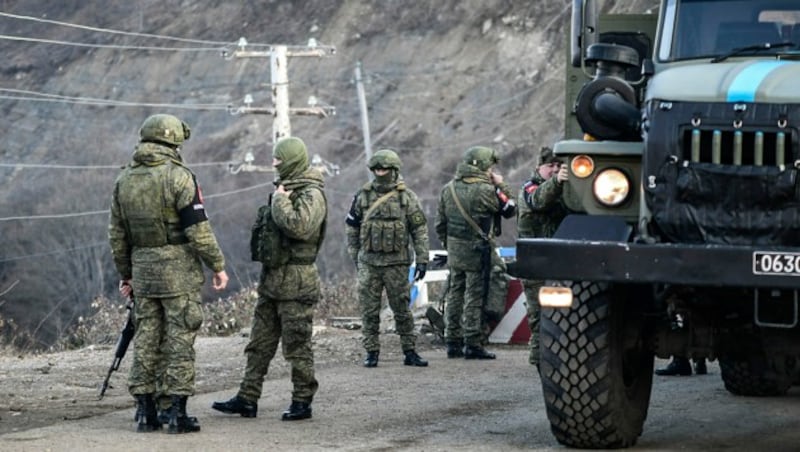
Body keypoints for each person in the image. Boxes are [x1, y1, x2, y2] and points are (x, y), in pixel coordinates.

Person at [108, 113, 229, 434]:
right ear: (174, 141)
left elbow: (117, 235)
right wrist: (217, 265)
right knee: (179, 339)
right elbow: (198, 230)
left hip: (143, 273)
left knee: (146, 338)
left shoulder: (124, 180)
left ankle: (145, 412)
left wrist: (127, 274)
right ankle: (176, 413)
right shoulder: (180, 177)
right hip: (179, 274)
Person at [212, 136, 327, 422]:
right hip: (273, 282)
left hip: (297, 282)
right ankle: (247, 398)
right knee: (259, 344)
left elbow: (299, 228)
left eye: (278, 159)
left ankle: (302, 400)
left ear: (292, 160)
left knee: (297, 345)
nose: (274, 164)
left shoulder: (311, 194)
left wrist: (279, 202)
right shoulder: (285, 190)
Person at [345, 149, 430, 368]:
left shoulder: (406, 198)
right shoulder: (362, 196)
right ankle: (371, 352)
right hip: (369, 263)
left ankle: (409, 351)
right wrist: (357, 257)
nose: (380, 173)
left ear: (394, 170)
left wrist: (422, 259)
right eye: (377, 169)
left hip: (396, 264)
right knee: (369, 310)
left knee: (401, 309)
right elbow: (352, 229)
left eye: (384, 169)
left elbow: (419, 230)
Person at [435, 146, 516, 360]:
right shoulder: (486, 191)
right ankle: (472, 342)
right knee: (474, 296)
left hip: (455, 249)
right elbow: (511, 208)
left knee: (455, 293)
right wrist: (500, 184)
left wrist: (449, 245)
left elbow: (440, 224)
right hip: (477, 250)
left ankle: (452, 341)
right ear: (483, 167)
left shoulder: (448, 188)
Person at [517, 146, 569, 368]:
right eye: (550, 166)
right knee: (541, 321)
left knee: (561, 319)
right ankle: (541, 364)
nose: (555, 170)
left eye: (559, 166)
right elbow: (538, 200)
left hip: (558, 264)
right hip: (535, 265)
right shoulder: (530, 188)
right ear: (539, 167)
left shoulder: (563, 190)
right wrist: (557, 182)